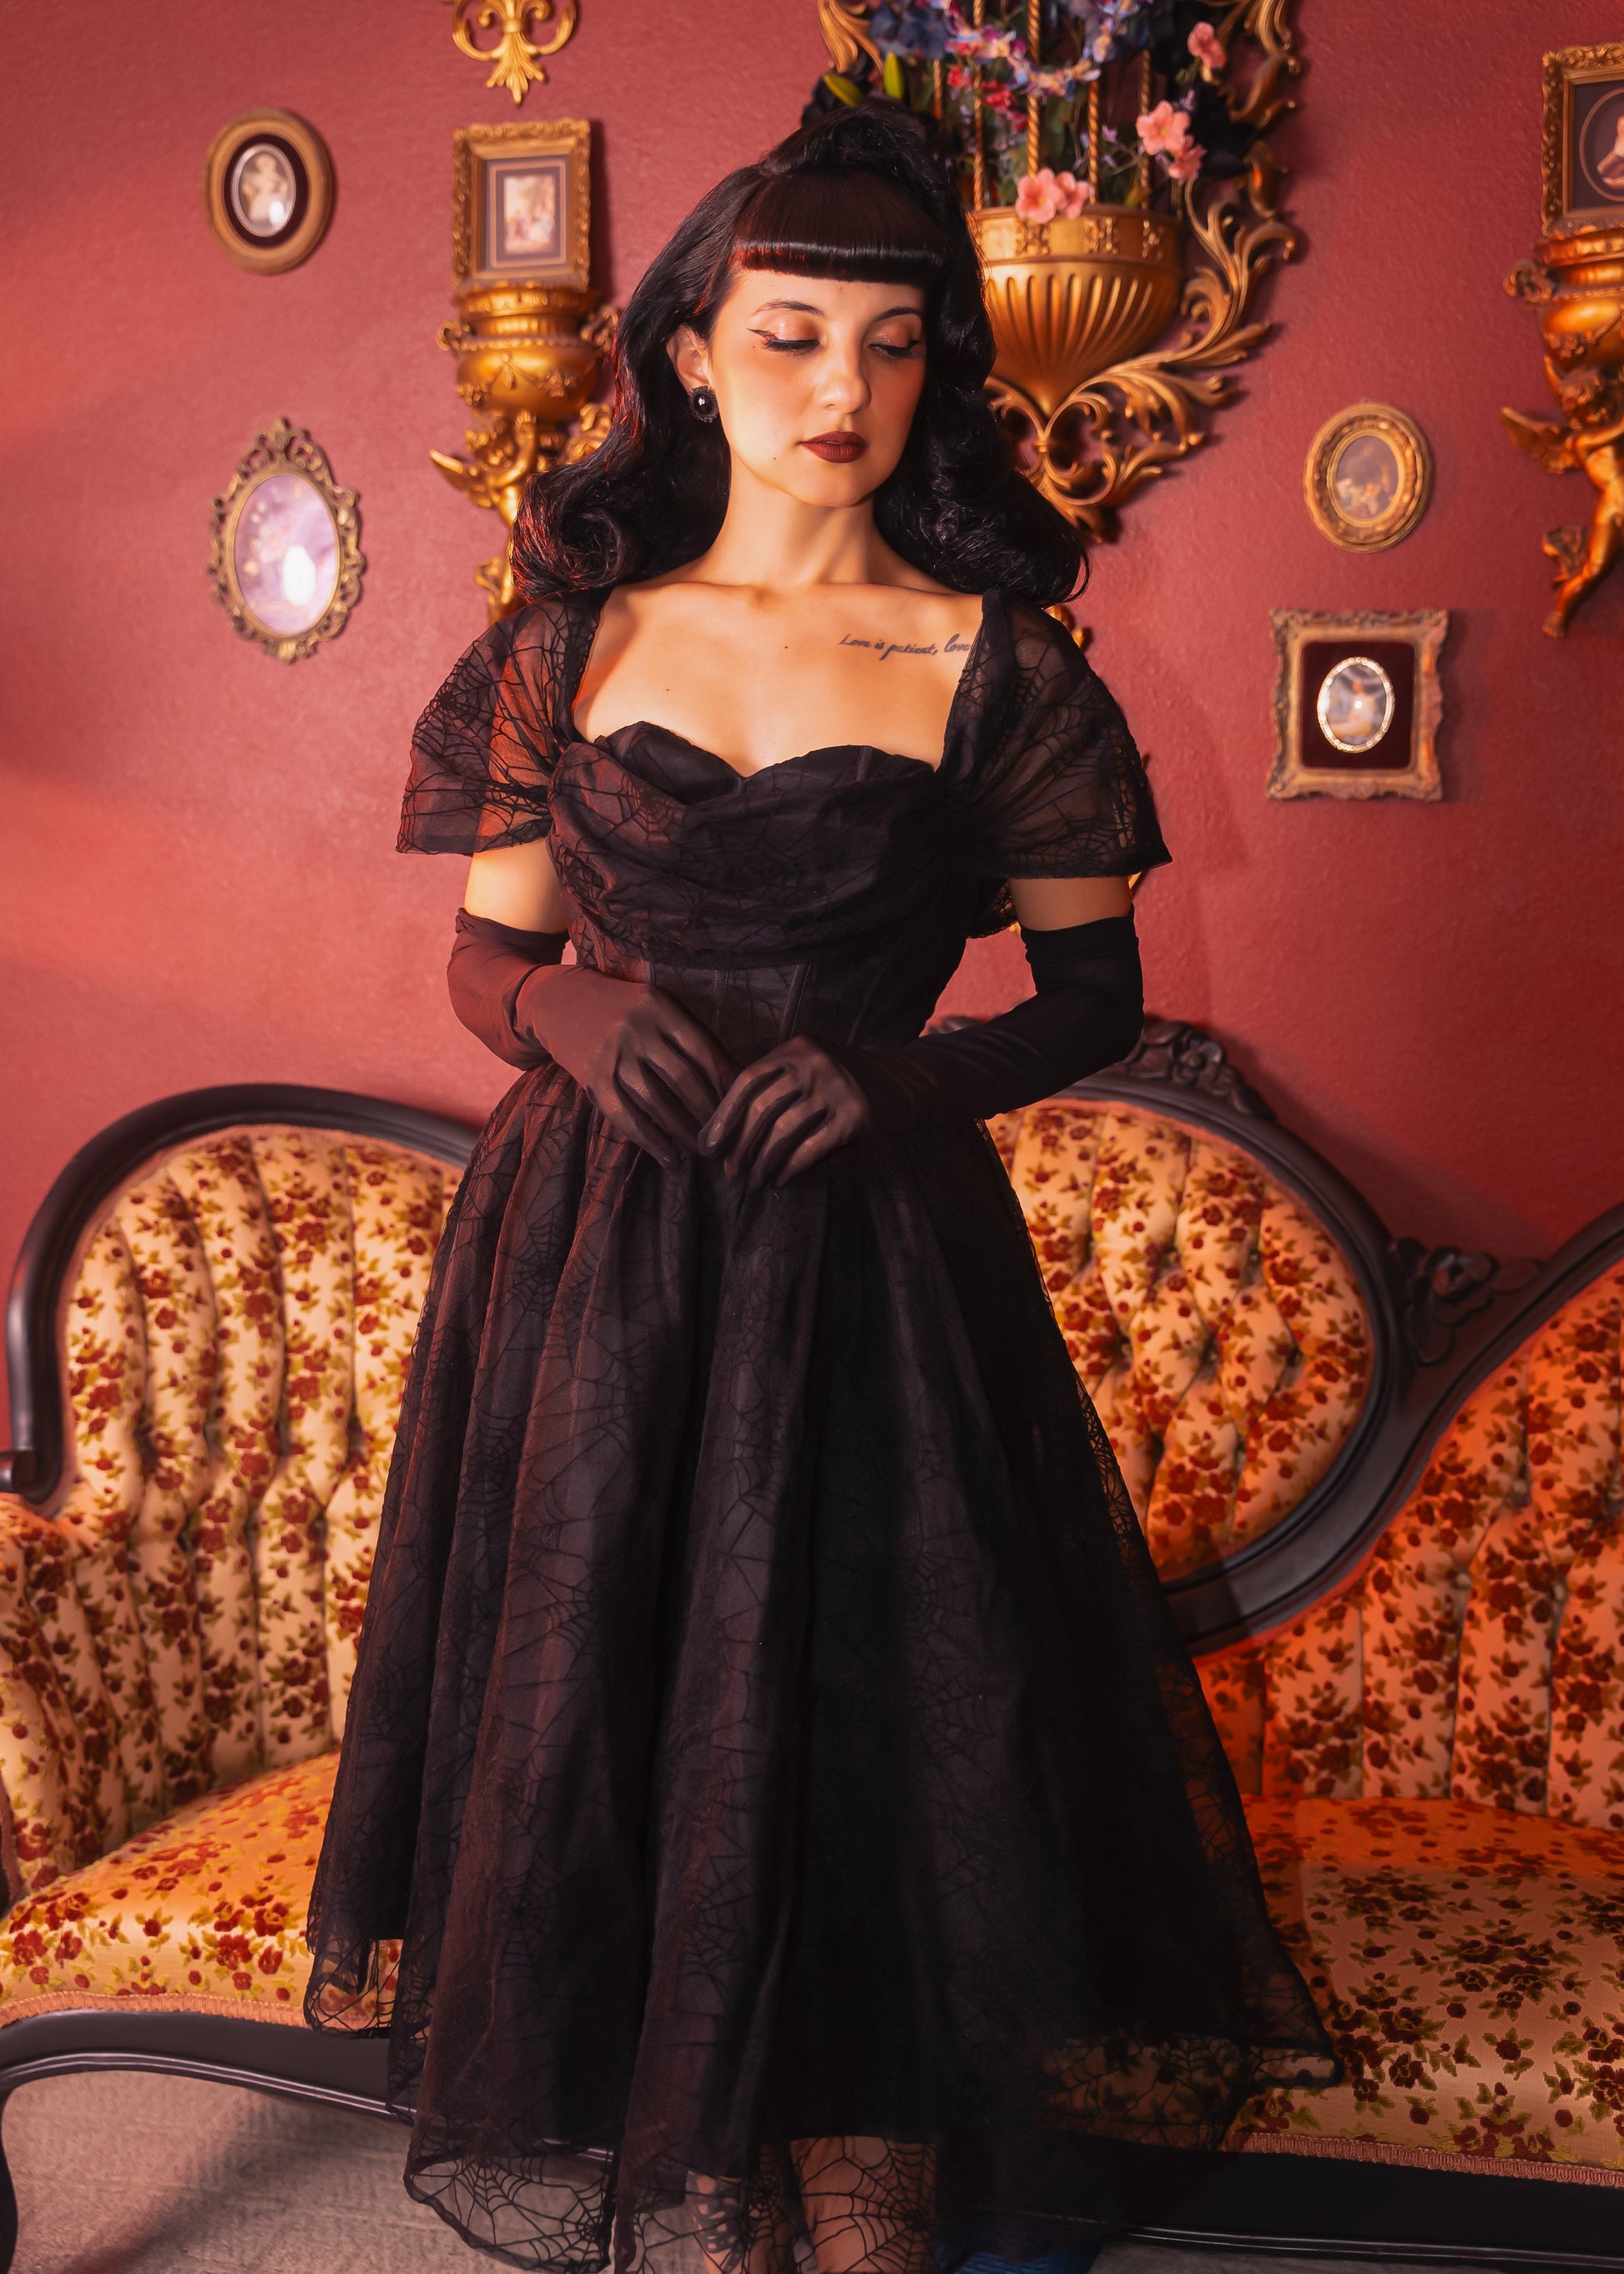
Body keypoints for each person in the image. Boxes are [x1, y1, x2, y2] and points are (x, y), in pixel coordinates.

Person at [305, 98, 1337, 2274]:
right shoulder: (562, 634)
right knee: (606, 1685)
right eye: (787, 340)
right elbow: (484, 953)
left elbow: (1090, 1000)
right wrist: (555, 1017)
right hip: (589, 1256)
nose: (840, 395)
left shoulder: (1002, 661)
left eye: (887, 349)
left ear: (936, 369)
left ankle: (868, 2163)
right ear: (686, 349)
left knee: (881, 1691)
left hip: (869, 1251)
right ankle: (687, 2165)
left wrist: (901, 1079)